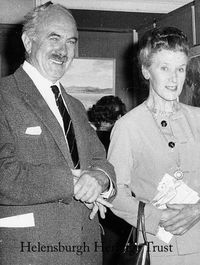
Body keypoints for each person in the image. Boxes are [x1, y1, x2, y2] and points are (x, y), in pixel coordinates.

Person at [0, 2, 116, 264]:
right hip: (29, 253)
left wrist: (100, 179)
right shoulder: (4, 96)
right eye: (54, 38)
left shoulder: (74, 105)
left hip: (85, 253)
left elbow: (101, 161)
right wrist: (72, 183)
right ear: (28, 41)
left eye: (71, 41)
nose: (63, 50)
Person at [108, 26, 200, 265]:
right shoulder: (127, 127)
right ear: (146, 70)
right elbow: (116, 193)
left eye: (180, 69)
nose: (174, 78)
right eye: (164, 68)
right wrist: (158, 217)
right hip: (157, 247)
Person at [88, 95, 129, 264]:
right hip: (118, 208)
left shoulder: (89, 138)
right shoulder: (122, 139)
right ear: (119, 117)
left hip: (92, 206)